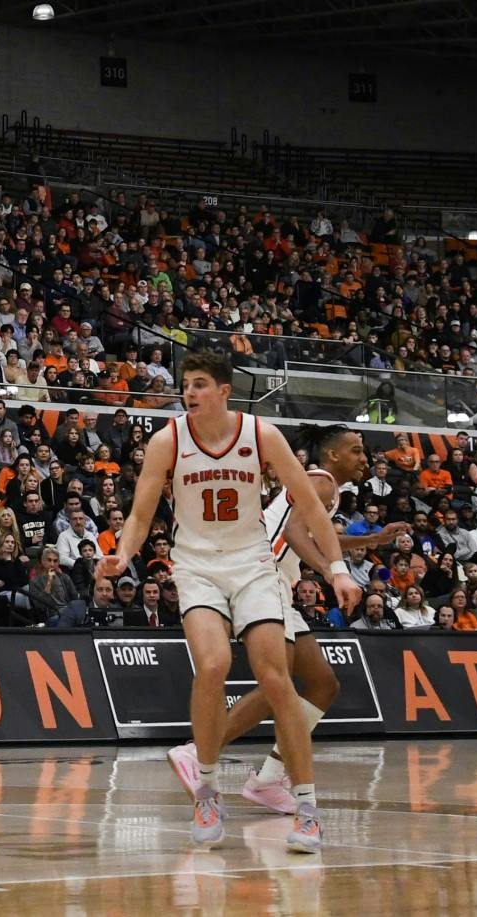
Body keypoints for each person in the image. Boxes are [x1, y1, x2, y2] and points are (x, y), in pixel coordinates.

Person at [101, 350, 360, 852]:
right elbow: (140, 513)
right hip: (196, 566)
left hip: (251, 562)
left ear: (224, 391)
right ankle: (205, 788)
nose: (190, 392)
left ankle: (306, 807)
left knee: (276, 677)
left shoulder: (260, 435)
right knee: (213, 666)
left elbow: (309, 505)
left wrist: (338, 570)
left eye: (200, 384)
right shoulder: (167, 440)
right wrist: (121, 553)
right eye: (186, 384)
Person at [170, 425, 382, 814]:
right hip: (261, 576)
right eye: (355, 450)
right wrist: (335, 574)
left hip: (274, 580)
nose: (363, 458)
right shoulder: (322, 483)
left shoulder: (323, 487)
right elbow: (295, 534)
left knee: (322, 684)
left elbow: (310, 536)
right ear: (332, 456)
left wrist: (370, 542)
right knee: (277, 685)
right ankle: (197, 752)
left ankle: (268, 778)